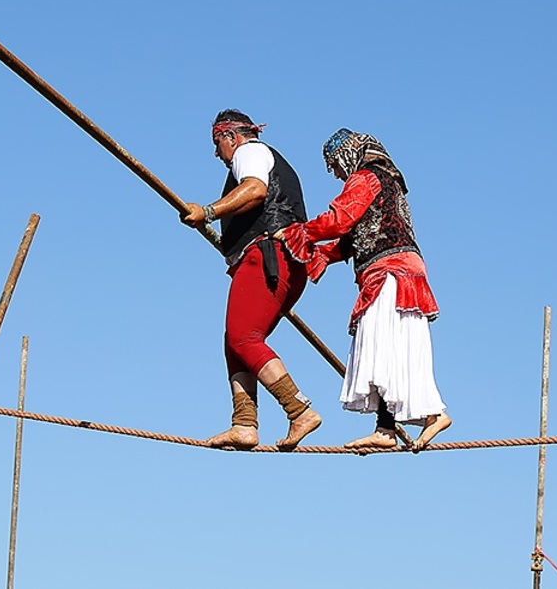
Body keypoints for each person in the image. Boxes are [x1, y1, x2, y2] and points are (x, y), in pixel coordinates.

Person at [280, 128, 450, 452]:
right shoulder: (391, 185)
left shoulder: (365, 178)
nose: (335, 173)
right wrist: (320, 256)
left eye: (335, 164)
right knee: (388, 351)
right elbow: (351, 238)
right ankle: (387, 429)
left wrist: (299, 233)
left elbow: (339, 220)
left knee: (383, 346)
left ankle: (432, 413)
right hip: (401, 271)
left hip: (389, 274)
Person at [181, 109, 321, 450]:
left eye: (218, 144)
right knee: (236, 342)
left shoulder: (250, 152)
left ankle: (298, 409)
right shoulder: (257, 157)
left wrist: (209, 211)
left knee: (243, 338)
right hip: (283, 261)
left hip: (270, 256)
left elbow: (256, 190)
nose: (217, 153)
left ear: (232, 136)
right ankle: (244, 423)